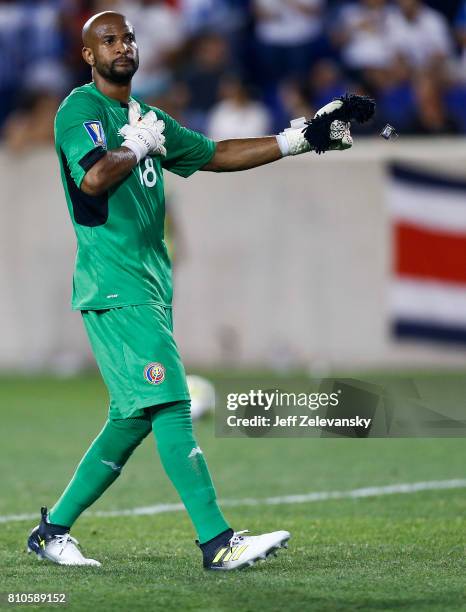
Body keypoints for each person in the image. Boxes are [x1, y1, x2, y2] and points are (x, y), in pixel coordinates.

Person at [26, 11, 352, 571]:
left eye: (128, 37)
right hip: (115, 282)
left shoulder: (149, 117)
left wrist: (294, 139)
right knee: (174, 403)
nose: (122, 46)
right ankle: (217, 543)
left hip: (148, 284)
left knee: (131, 418)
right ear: (88, 55)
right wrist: (135, 146)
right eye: (108, 40)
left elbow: (215, 154)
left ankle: (52, 531)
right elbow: (94, 177)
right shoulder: (80, 109)